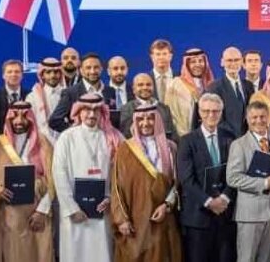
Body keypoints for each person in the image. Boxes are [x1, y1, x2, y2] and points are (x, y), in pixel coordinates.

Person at [0, 101, 55, 261]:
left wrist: (42, 211)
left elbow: (53, 180)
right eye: (14, 117)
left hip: (35, 215)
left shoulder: (43, 143)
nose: (19, 121)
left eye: (24, 117)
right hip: (6, 217)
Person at [51, 93, 123, 261]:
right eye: (86, 110)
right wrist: (72, 208)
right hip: (75, 212)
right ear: (78, 112)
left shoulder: (113, 138)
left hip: (102, 210)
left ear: (102, 112)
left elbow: (120, 174)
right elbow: (59, 174)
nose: (91, 115)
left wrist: (110, 198)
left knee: (102, 253)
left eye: (96, 110)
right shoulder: (67, 138)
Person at [111, 102, 183, 262]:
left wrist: (167, 206)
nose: (145, 123)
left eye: (150, 118)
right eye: (141, 119)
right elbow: (116, 187)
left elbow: (176, 184)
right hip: (135, 218)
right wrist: (121, 219)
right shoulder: (125, 149)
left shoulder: (171, 148)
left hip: (163, 218)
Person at [177, 93, 237, 262]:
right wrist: (209, 202)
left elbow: (235, 172)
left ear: (221, 113)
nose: (211, 115)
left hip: (225, 214)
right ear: (200, 113)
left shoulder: (230, 138)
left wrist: (224, 198)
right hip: (198, 217)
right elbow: (186, 179)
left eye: (216, 111)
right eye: (206, 111)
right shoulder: (187, 141)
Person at [227, 101, 270, 262]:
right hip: (249, 215)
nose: (259, 121)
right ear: (247, 119)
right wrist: (263, 184)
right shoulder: (239, 145)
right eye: (254, 117)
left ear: (268, 118)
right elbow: (232, 178)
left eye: (262, 117)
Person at [49, 53, 117, 133]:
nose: (92, 71)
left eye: (96, 67)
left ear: (101, 69)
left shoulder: (110, 91)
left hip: (106, 138)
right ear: (81, 70)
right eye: (88, 68)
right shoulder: (70, 93)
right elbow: (55, 120)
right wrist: (75, 132)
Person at [165, 48, 215, 136]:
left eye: (200, 61)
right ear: (187, 65)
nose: (197, 64)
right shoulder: (175, 85)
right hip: (183, 136)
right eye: (193, 62)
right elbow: (171, 116)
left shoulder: (211, 84)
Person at [207, 47, 254, 137]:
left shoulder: (249, 86)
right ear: (222, 62)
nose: (233, 63)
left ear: (242, 62)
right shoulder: (214, 88)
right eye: (229, 60)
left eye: (236, 60)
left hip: (248, 139)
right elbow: (215, 118)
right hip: (226, 140)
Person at [119, 73, 178, 143]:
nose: (145, 87)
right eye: (140, 85)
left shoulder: (164, 108)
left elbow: (173, 135)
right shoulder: (126, 109)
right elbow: (125, 136)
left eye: (148, 85)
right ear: (134, 89)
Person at [26, 57, 64, 144]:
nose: (52, 76)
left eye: (56, 72)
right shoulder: (32, 97)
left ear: (61, 74)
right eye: (48, 72)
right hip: (41, 142)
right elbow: (30, 124)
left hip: (65, 141)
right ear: (42, 75)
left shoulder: (68, 94)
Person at [0, 60, 29, 134]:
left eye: (17, 72)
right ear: (3, 75)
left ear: (22, 75)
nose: (13, 74)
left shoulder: (30, 95)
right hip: (1, 138)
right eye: (9, 72)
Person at [147, 39, 174, 104]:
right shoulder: (146, 79)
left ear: (170, 56)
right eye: (158, 54)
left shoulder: (180, 78)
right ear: (152, 57)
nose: (161, 57)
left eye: (164, 54)